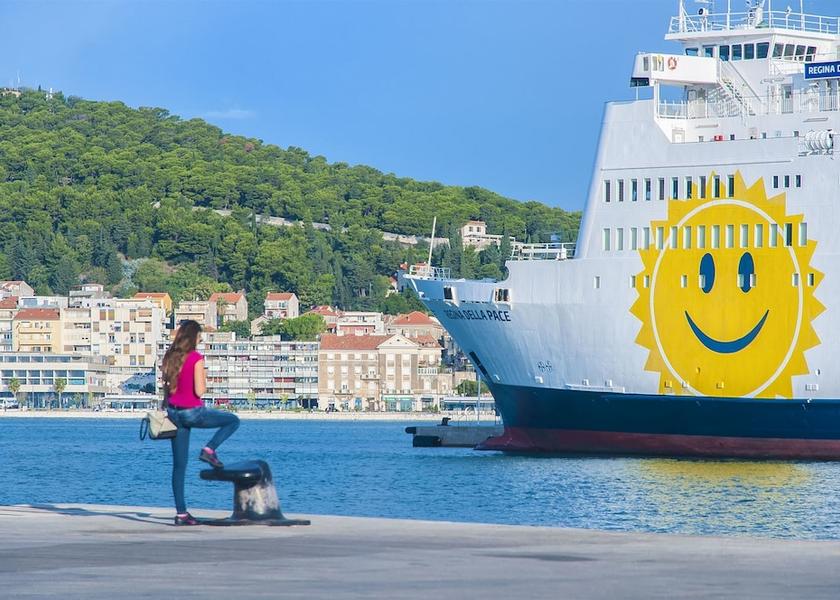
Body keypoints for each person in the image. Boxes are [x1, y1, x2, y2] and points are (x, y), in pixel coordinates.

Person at [161, 319, 240, 526]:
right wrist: (204, 373)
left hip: (173, 414)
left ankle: (181, 514)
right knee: (232, 421)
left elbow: (167, 388)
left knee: (179, 466)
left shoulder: (170, 357)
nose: (200, 339)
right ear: (193, 337)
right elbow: (200, 391)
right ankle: (209, 449)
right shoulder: (196, 357)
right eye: (199, 336)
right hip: (192, 412)